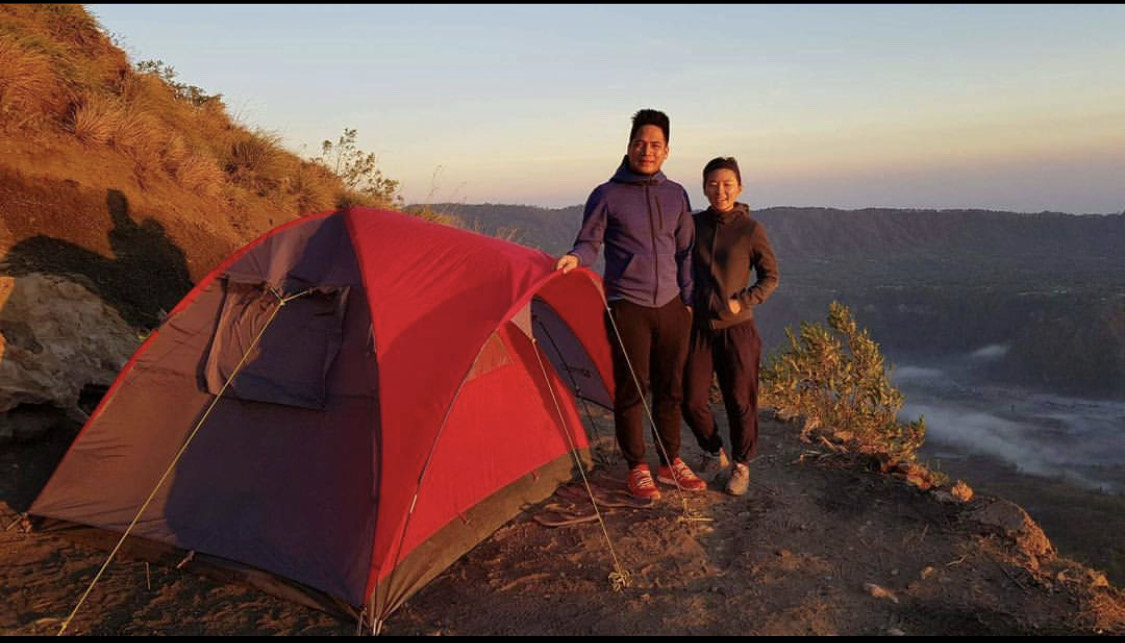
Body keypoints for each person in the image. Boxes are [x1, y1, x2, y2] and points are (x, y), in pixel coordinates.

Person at [555, 109, 706, 500]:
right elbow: (590, 241)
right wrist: (576, 257)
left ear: (667, 151)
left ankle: (670, 461)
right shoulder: (606, 194)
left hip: (672, 306)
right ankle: (637, 465)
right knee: (632, 388)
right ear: (629, 146)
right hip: (628, 305)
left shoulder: (676, 194)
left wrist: (688, 302)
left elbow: (686, 250)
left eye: (655, 144)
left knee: (671, 387)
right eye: (640, 143)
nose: (647, 150)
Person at [682, 157, 779, 496]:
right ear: (704, 187)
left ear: (739, 187)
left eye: (726, 184)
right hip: (699, 328)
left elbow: (771, 277)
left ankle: (741, 464)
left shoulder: (750, 229)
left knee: (740, 400)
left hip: (738, 329)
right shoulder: (694, 225)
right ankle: (713, 451)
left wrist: (744, 300)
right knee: (691, 399)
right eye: (712, 184)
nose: (719, 190)